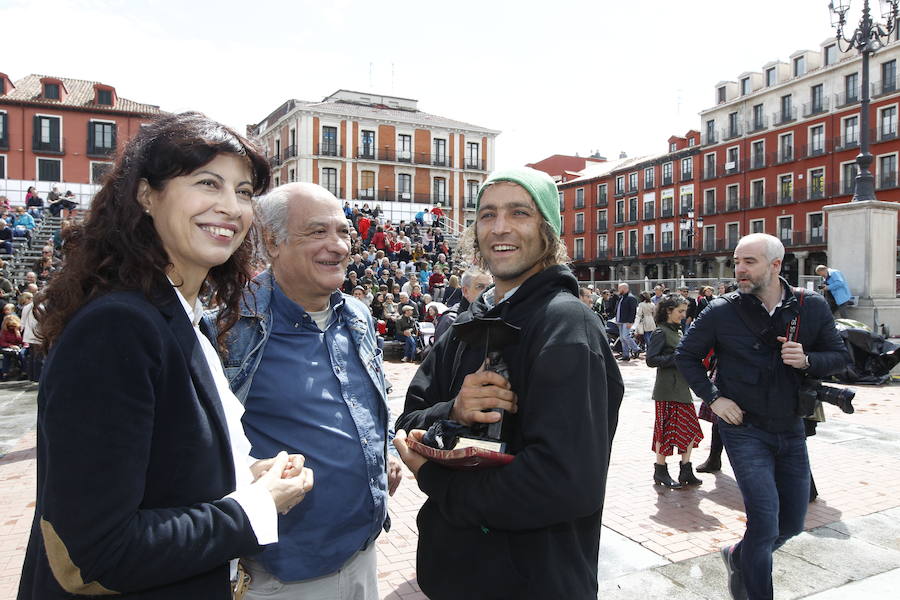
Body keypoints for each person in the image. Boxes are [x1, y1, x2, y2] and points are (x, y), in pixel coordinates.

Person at [17, 112, 314, 600]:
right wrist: (255, 507)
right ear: (146, 195)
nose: (231, 207)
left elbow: (164, 478)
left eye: (243, 191)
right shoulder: (118, 327)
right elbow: (97, 553)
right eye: (207, 183)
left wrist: (244, 477)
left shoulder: (181, 317)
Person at [392, 166, 623, 600]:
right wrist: (453, 411)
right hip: (452, 574)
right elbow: (408, 424)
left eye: (519, 212)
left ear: (548, 229)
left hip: (533, 581)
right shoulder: (465, 324)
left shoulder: (568, 326)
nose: (500, 227)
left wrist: (437, 481)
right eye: (487, 214)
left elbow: (564, 484)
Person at [218, 182, 401, 599]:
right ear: (272, 241)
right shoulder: (231, 326)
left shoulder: (356, 314)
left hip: (363, 550)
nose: (337, 245)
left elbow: (375, 399)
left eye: (343, 232)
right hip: (284, 571)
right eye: (318, 232)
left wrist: (386, 448)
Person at [675, 233, 848, 600]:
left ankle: (737, 555)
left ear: (775, 265)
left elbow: (840, 356)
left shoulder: (810, 306)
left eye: (749, 262)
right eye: (737, 260)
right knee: (765, 523)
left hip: (790, 427)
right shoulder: (722, 309)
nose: (739, 268)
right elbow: (686, 356)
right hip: (743, 428)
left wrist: (809, 360)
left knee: (791, 524)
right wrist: (714, 398)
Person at [646, 294, 703, 488]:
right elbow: (651, 360)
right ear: (668, 311)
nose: (683, 314)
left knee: (690, 429)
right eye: (680, 311)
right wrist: (676, 358)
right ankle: (660, 471)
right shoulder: (660, 332)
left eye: (684, 311)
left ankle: (686, 469)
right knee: (665, 431)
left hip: (681, 388)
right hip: (667, 390)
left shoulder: (678, 330)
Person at [615, 282, 640, 361]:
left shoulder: (631, 298)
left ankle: (636, 348)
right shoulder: (621, 297)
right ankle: (626, 355)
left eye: (620, 288)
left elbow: (633, 311)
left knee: (626, 336)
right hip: (620, 320)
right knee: (622, 338)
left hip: (626, 321)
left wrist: (630, 322)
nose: (618, 290)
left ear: (625, 289)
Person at [0, 313, 26, 380]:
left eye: (13, 326)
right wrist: (11, 346)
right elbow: (2, 342)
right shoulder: (4, 331)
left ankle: (24, 372)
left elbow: (23, 341)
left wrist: (17, 333)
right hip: (9, 347)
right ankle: (5, 374)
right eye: (10, 327)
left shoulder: (21, 329)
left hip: (20, 347)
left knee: (21, 355)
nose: (11, 328)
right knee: (6, 356)